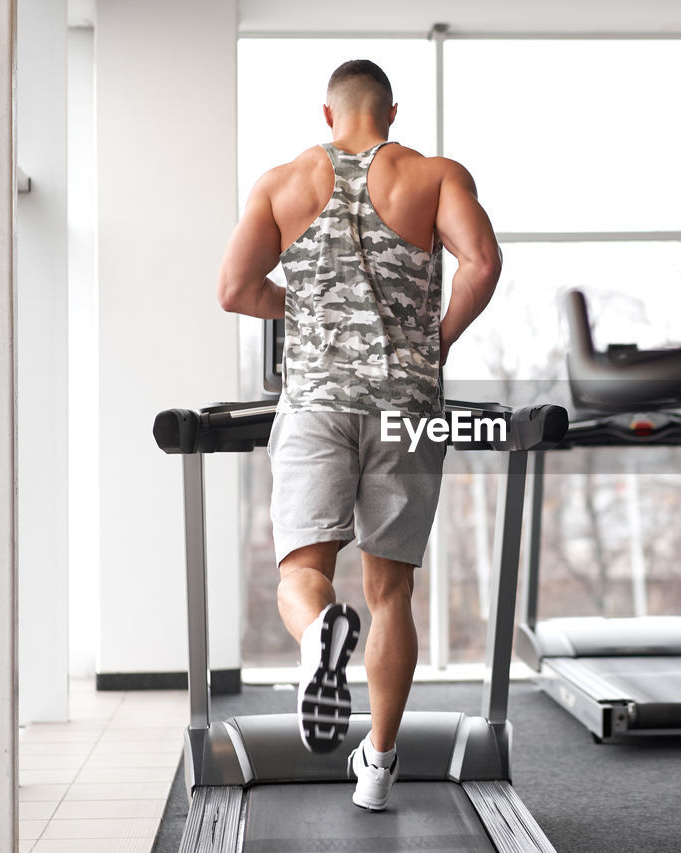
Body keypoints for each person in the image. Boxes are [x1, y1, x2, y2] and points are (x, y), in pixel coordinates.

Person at [215, 59, 502, 809]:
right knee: (391, 592)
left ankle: (316, 638)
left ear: (328, 114)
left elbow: (235, 289)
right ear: (392, 112)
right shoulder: (434, 175)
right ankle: (376, 766)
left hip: (314, 402)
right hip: (406, 404)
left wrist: (306, 309)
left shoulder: (282, 183)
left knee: (300, 574)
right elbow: (482, 262)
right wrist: (430, 343)